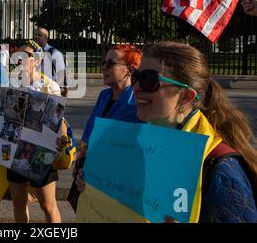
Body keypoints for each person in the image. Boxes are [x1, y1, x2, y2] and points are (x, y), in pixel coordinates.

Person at [77, 42, 257, 223]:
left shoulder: (221, 170)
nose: (136, 87)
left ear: (186, 96)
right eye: (137, 76)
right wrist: (95, 184)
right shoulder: (131, 143)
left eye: (149, 80)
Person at [1, 41, 70, 223]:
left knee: (47, 205)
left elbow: (59, 119)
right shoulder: (10, 84)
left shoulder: (50, 86)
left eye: (27, 55)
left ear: (37, 60)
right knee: (18, 201)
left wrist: (62, 138)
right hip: (17, 148)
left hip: (42, 150)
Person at [67, 44, 143, 211]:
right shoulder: (104, 95)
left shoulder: (137, 103)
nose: (103, 67)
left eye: (110, 64)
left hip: (117, 180)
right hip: (91, 173)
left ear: (129, 70)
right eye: (103, 62)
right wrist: (81, 162)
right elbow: (90, 133)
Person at [34, 27, 67, 96]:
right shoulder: (34, 52)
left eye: (39, 35)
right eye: (35, 35)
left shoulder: (53, 52)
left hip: (51, 90)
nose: (36, 37)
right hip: (37, 88)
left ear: (46, 38)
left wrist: (55, 89)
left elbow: (61, 72)